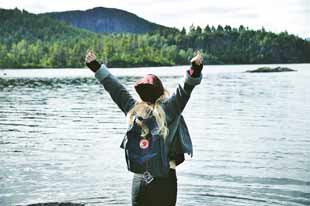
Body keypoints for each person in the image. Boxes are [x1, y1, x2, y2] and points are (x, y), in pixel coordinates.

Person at [85, 51, 204, 206]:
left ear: (141, 94)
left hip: (139, 179)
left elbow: (115, 89)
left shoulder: (133, 109)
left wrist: (96, 67)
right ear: (162, 92)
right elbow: (185, 88)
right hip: (164, 179)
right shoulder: (170, 108)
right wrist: (195, 68)